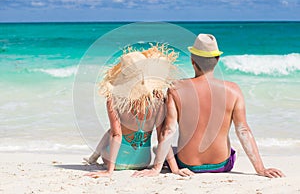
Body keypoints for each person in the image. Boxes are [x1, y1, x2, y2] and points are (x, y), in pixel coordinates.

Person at [133, 34, 285, 178]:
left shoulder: (176, 88)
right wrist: (261, 169)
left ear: (192, 60)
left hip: (188, 163)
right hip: (222, 164)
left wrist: (156, 168)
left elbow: (168, 130)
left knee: (159, 149)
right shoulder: (234, 90)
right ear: (217, 59)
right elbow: (243, 131)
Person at [84, 45, 178, 178]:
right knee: (117, 131)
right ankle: (93, 156)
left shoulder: (114, 100)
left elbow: (117, 135)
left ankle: (94, 156)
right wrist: (174, 169)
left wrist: (109, 171)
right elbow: (163, 136)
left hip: (117, 163)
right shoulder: (158, 100)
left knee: (113, 131)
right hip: (143, 162)